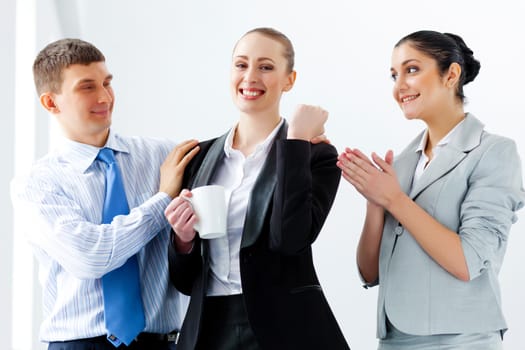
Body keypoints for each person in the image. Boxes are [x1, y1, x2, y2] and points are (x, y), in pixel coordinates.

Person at [337, 30, 525, 349]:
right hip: (394, 338)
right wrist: (374, 203)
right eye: (394, 75)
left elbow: (468, 261)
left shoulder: (495, 152)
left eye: (411, 70)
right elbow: (370, 274)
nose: (399, 87)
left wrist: (393, 199)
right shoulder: (401, 164)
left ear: (451, 74)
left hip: (462, 340)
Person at [164, 27, 350, 350]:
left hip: (286, 330)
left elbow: (289, 239)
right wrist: (182, 240)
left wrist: (295, 143)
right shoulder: (199, 158)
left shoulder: (314, 155)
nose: (250, 77)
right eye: (241, 65)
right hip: (209, 329)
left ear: (289, 79)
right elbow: (184, 281)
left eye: (265, 67)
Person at [10, 38, 200, 349]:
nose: (104, 96)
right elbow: (90, 257)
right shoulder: (36, 184)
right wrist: (162, 200)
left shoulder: (162, 158)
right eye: (87, 87)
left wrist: (299, 147)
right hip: (79, 343)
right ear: (50, 103)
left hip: (162, 342)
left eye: (107, 83)